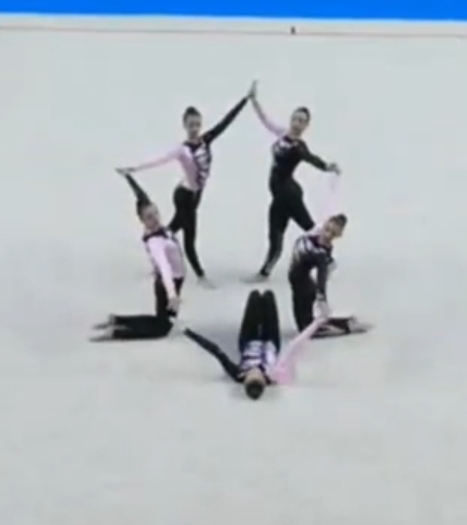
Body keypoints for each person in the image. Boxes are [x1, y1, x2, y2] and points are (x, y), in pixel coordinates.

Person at [119, 87, 251, 285]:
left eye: (197, 124)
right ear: (184, 126)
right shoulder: (182, 150)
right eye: (191, 125)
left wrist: (245, 100)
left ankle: (157, 258)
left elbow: (225, 122)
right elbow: (159, 160)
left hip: (195, 194)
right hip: (184, 196)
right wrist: (134, 169)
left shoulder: (206, 140)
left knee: (172, 229)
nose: (195, 128)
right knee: (189, 237)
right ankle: (201, 276)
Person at [248, 83, 340, 280]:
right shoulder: (283, 134)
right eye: (295, 119)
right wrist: (254, 101)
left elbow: (311, 158)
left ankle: (328, 260)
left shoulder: (299, 146)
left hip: (289, 196)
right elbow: (266, 122)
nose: (297, 123)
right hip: (279, 197)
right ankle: (264, 273)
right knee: (275, 237)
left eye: (302, 121)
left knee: (310, 228)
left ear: (306, 126)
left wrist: (327, 167)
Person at [91, 171, 187, 341]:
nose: (155, 219)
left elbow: (142, 196)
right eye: (149, 217)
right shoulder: (156, 243)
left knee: (162, 321)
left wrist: (130, 180)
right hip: (169, 282)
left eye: (156, 213)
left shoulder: (158, 230)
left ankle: (117, 320)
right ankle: (117, 333)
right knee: (162, 328)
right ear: (142, 220)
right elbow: (164, 267)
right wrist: (172, 293)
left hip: (172, 280)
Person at [182, 289, 327, 399]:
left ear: (245, 381)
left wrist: (187, 332)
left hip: (248, 340)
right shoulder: (274, 374)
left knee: (255, 296)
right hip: (271, 340)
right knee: (269, 296)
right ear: (264, 382)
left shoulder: (237, 373)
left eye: (250, 375)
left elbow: (215, 350)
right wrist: (317, 323)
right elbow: (295, 346)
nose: (254, 371)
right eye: (258, 375)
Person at [287, 212, 369, 338]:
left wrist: (320, 293)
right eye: (327, 230)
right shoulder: (309, 238)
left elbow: (323, 272)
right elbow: (302, 252)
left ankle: (346, 325)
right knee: (307, 325)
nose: (328, 235)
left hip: (303, 282)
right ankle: (346, 323)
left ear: (339, 235)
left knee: (306, 328)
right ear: (323, 225)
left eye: (333, 234)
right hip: (300, 277)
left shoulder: (325, 249)